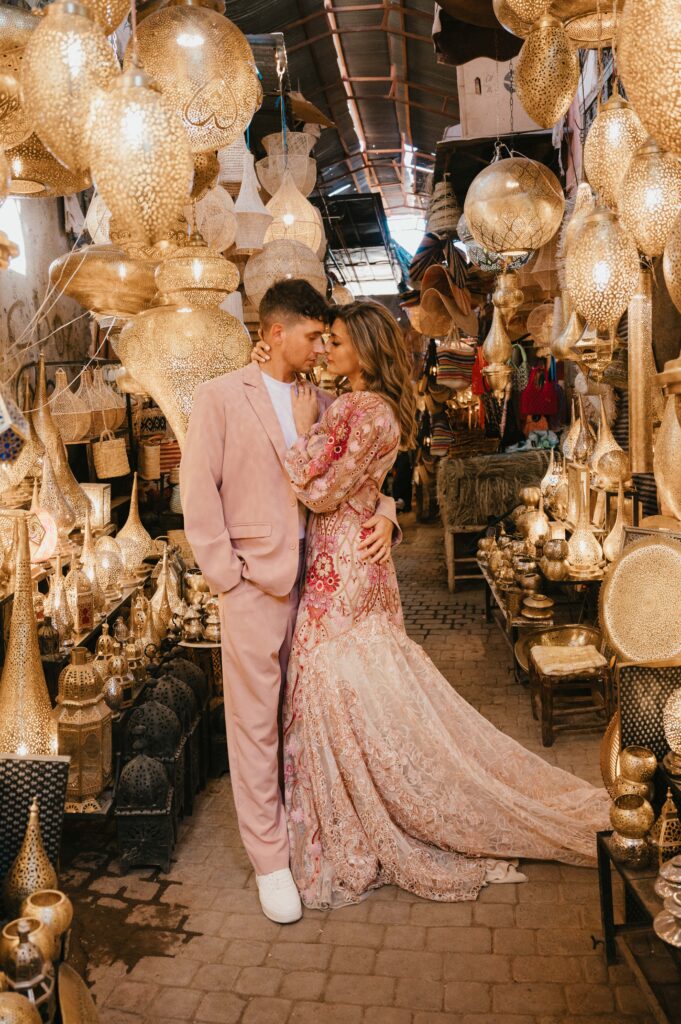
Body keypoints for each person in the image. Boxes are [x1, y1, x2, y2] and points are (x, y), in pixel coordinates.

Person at [255, 299, 610, 911]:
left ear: (364, 349)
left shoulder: (365, 412)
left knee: (327, 686)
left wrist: (278, 408)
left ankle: (371, 812)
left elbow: (317, 486)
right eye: (323, 341)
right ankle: (363, 799)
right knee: (351, 690)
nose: (325, 351)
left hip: (341, 571)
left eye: (335, 342)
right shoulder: (365, 406)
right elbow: (357, 479)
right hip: (349, 565)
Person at [180, 280, 398, 925]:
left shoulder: (328, 398)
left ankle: (315, 834)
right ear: (276, 331)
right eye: (312, 336)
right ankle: (270, 861)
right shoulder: (220, 398)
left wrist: (387, 513)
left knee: (310, 719)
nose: (321, 347)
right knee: (253, 724)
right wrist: (228, 577)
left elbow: (360, 473)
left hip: (327, 583)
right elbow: (199, 494)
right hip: (254, 583)